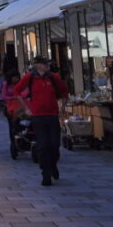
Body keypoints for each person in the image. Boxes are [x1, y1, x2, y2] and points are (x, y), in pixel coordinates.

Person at [14, 57, 69, 186]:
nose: (46, 66)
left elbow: (65, 92)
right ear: (38, 66)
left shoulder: (53, 77)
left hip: (52, 115)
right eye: (44, 64)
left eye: (47, 64)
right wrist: (26, 108)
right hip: (37, 116)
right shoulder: (30, 77)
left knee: (54, 144)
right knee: (43, 145)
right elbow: (17, 91)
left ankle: (53, 164)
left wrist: (62, 109)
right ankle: (46, 173)